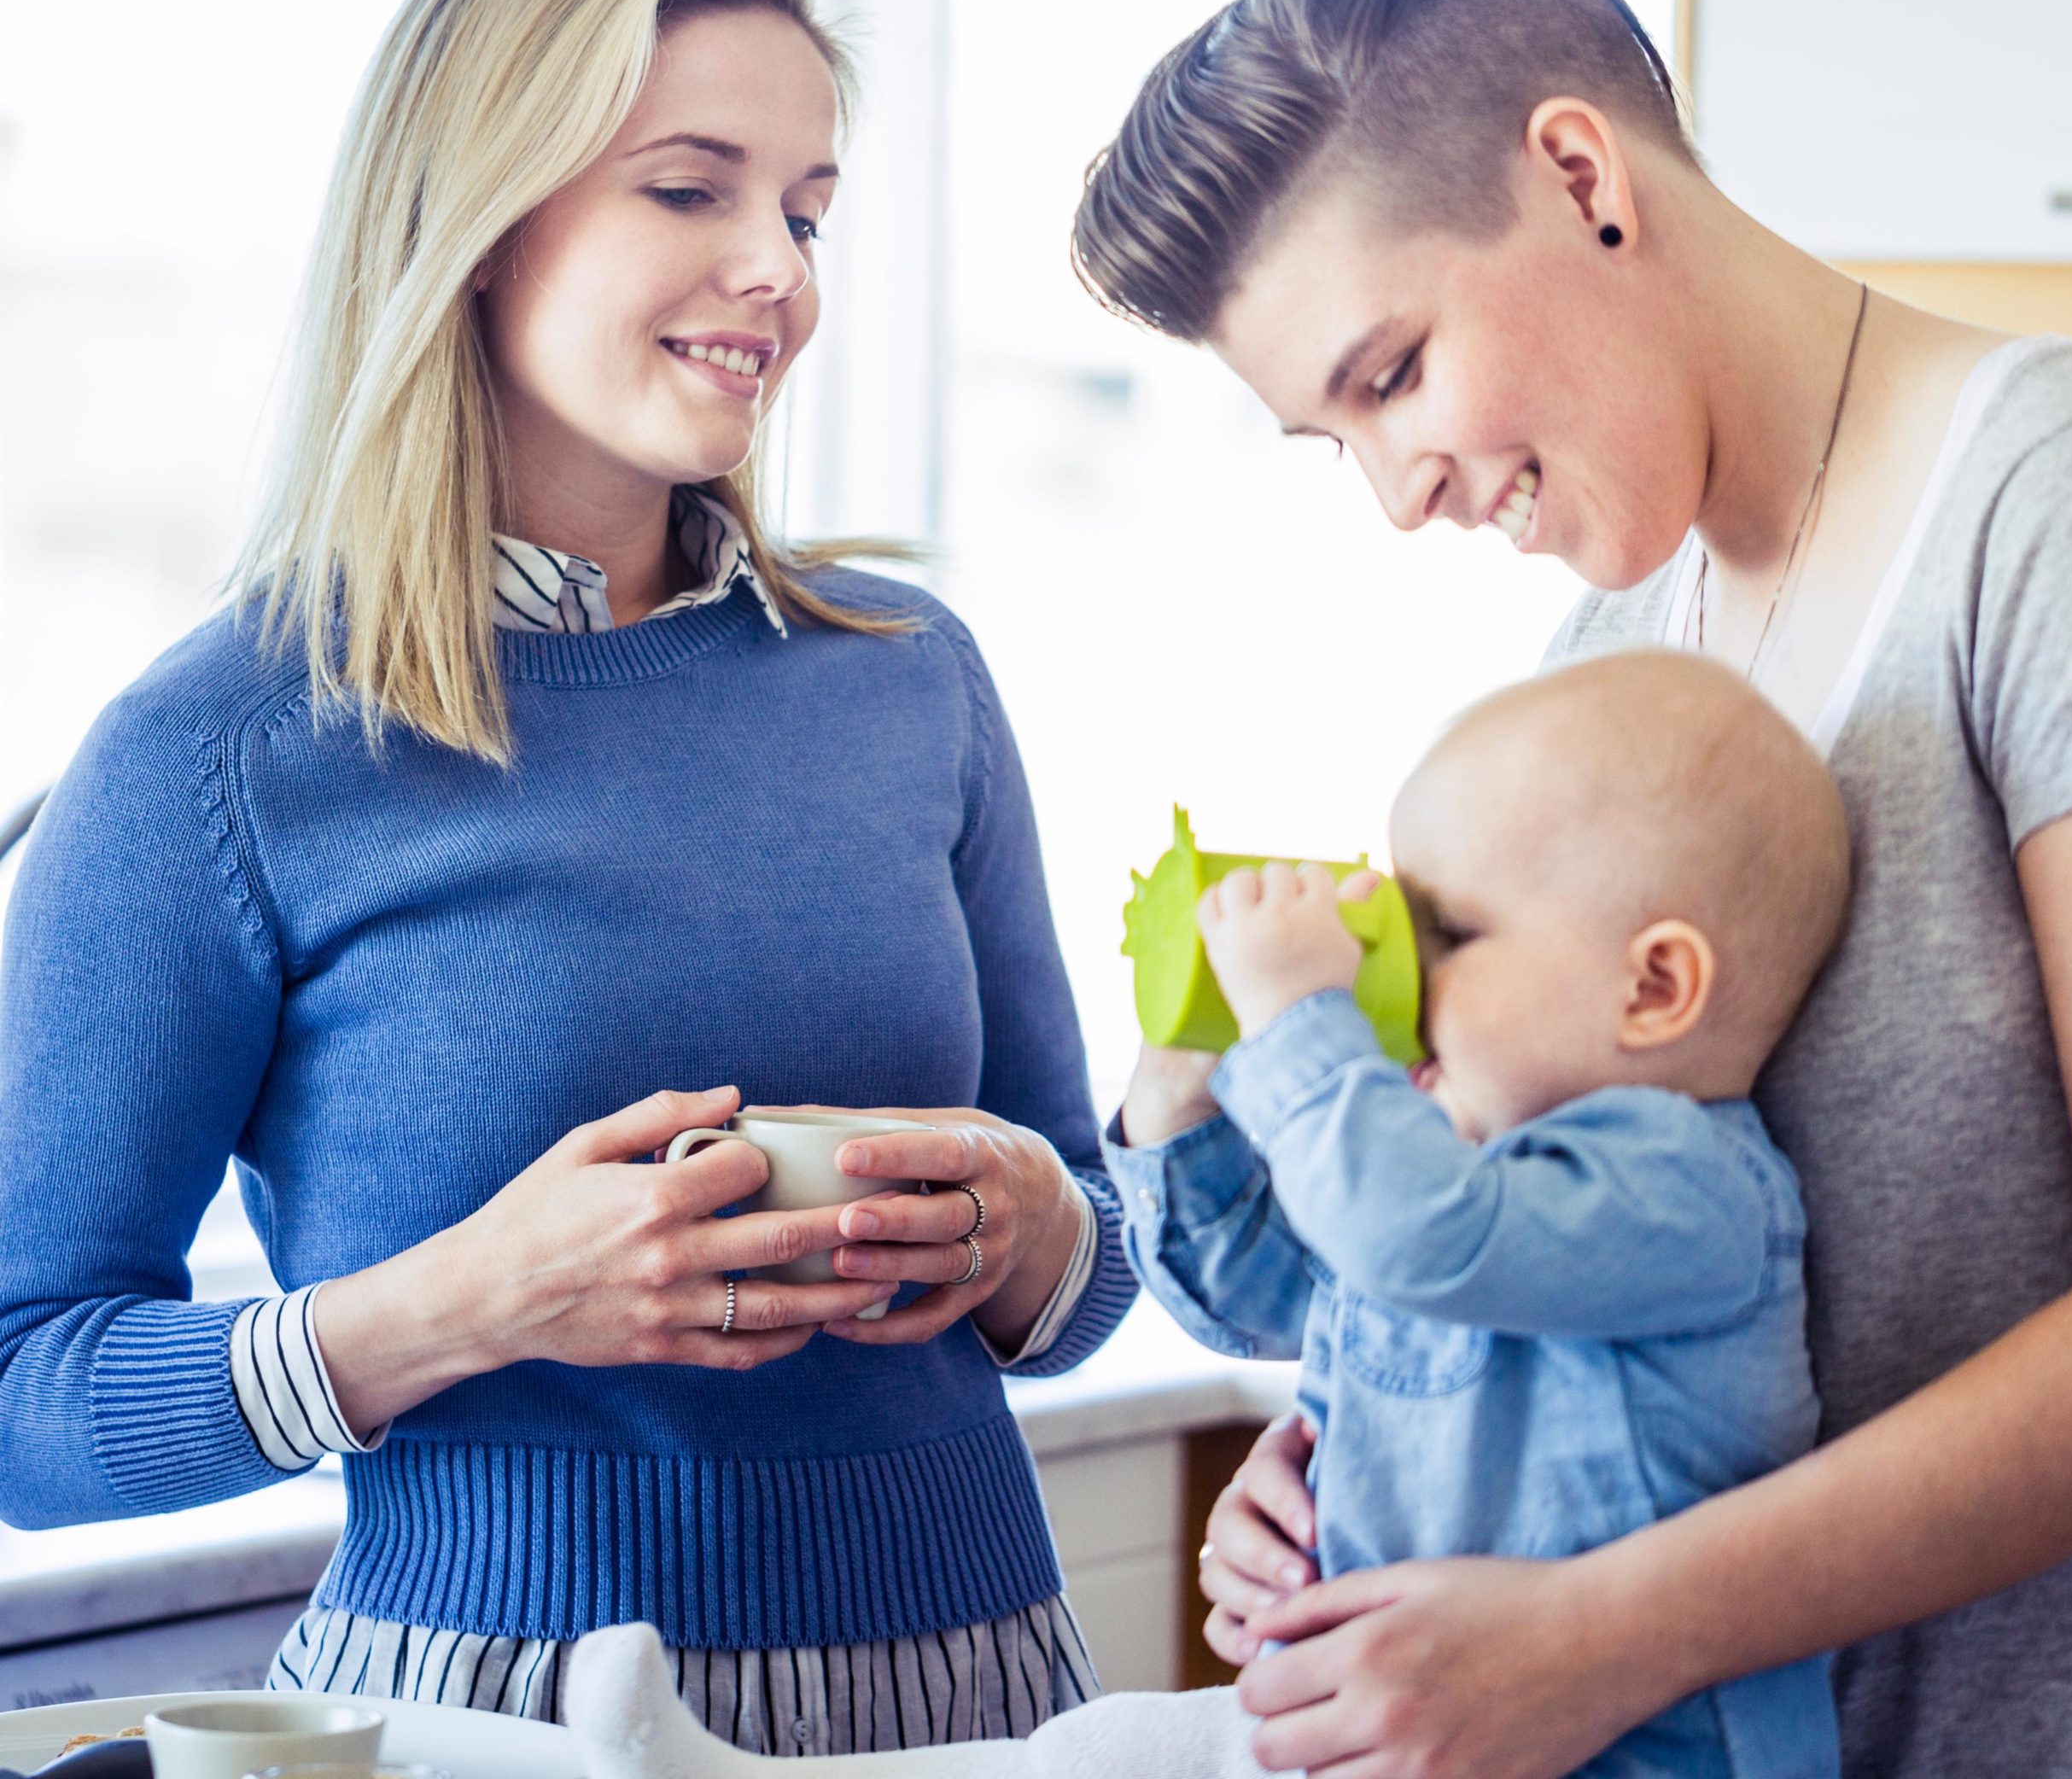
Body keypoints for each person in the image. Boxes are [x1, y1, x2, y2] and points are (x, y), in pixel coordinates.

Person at [1069, 0, 2072, 1778]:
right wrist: (1367, 1444)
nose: (1397, 492)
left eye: (1392, 372)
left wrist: (1598, 1631)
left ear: (1577, 173)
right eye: (1327, 440)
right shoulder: (1613, 646)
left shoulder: (2054, 496)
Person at [0, 0, 1135, 1749]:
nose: (772, 269)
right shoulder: (218, 748)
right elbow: (22, 1401)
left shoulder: (909, 679)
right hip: (490, 1718)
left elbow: (1087, 1245)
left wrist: (1019, 1229)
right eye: (689, 189)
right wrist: (466, 1302)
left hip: (980, 1694)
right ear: (471, 225)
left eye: (808, 208)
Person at [555, 650, 1852, 1779]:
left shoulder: (1682, 1192)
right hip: (1404, 1720)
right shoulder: (1440, 1159)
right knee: (1109, 1751)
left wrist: (1301, 1017)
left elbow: (1416, 1235)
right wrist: (1184, 1072)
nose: (1395, 972)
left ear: (1657, 987)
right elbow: (1247, 1291)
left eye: (1444, 933)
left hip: (1623, 1751)